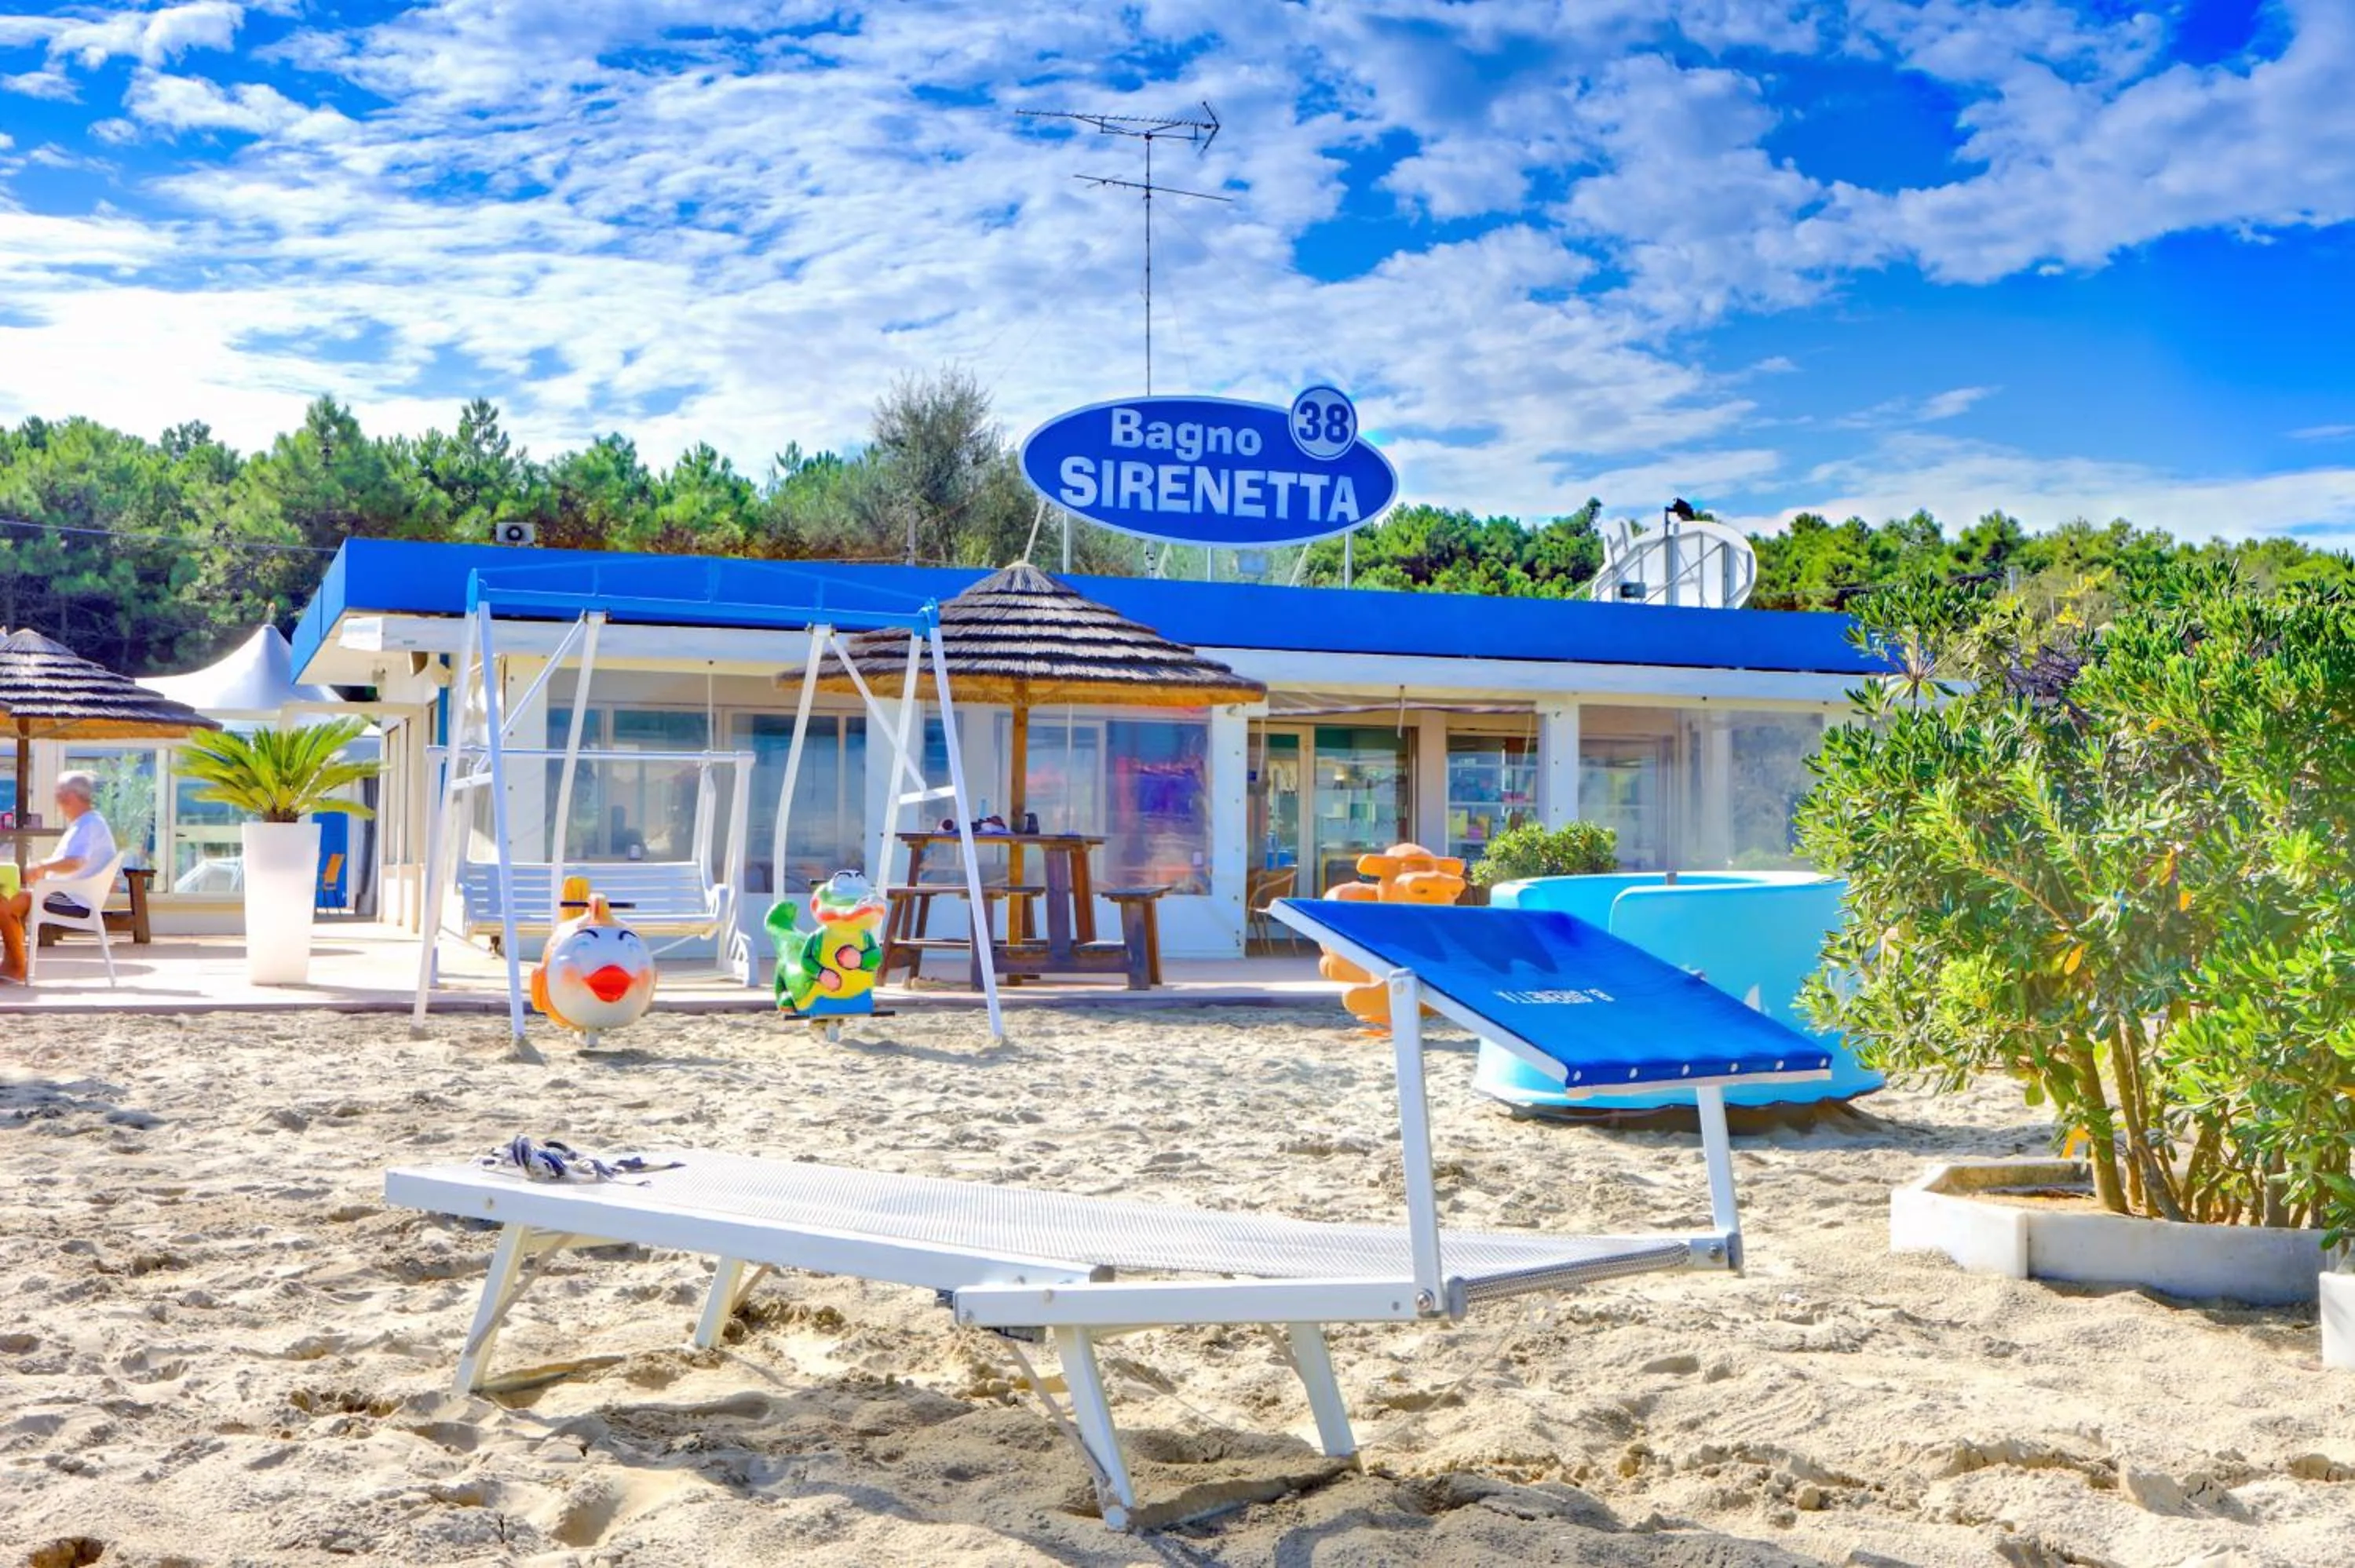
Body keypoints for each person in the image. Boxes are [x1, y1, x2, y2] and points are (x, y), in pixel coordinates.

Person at [0, 771, 119, 983]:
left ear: (69, 796)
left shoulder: (89, 824)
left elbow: (76, 861)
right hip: (66, 894)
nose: (56, 798)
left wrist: (41, 867)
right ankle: (13, 967)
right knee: (6, 903)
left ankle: (16, 968)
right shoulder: (87, 823)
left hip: (74, 899)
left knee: (5, 903)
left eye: (58, 793)